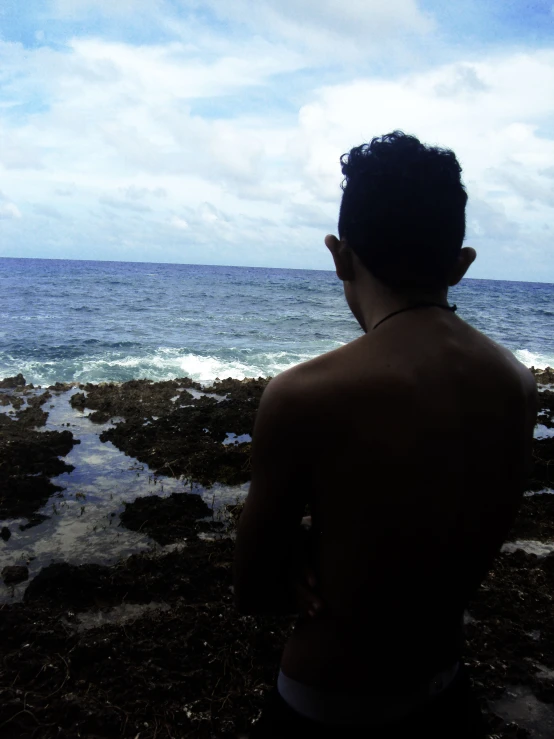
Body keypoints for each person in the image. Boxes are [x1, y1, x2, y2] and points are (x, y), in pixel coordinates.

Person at [233, 131, 538, 737]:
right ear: (462, 263)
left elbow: (256, 589)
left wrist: (295, 557)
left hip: (325, 704)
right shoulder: (516, 384)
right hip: (445, 691)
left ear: (339, 256)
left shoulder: (305, 394)